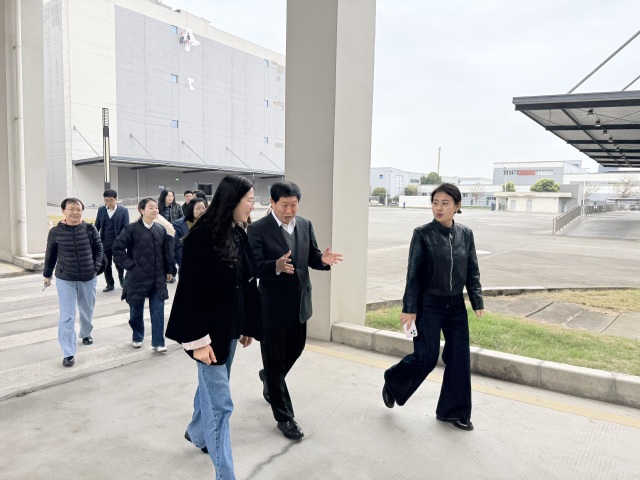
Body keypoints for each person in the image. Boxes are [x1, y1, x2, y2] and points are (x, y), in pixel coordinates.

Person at [166, 175, 262, 479]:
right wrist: (198, 341)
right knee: (220, 406)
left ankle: (197, 432)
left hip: (229, 330)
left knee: (209, 388)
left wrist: (246, 324)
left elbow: (245, 282)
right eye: (250, 199)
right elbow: (190, 291)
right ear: (232, 199)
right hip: (206, 336)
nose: (253, 205)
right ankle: (225, 474)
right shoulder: (202, 236)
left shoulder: (237, 232)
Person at [382, 183, 484, 431]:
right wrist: (409, 308)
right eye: (435, 203)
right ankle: (394, 381)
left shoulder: (466, 234)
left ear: (457, 206)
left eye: (445, 203)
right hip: (429, 304)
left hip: (456, 304)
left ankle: (454, 412)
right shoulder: (422, 234)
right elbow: (413, 274)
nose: (439, 208)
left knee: (459, 358)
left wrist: (477, 300)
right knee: (426, 357)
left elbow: (472, 269)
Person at [247, 181, 343, 440]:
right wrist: (275, 266)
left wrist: (322, 260)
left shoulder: (305, 224)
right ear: (272, 202)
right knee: (275, 363)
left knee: (295, 350)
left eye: (294, 205)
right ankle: (285, 417)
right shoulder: (257, 229)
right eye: (284, 205)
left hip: (300, 304)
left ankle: (269, 378)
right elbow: (253, 266)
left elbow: (311, 256)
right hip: (271, 307)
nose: (289, 211)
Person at [43, 198, 103, 367]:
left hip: (88, 277)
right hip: (65, 278)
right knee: (67, 316)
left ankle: (85, 333)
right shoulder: (55, 232)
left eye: (78, 209)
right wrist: (47, 274)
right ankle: (68, 352)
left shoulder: (90, 228)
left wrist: (95, 268)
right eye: (71, 209)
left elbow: (99, 249)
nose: (75, 212)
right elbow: (50, 254)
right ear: (63, 211)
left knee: (87, 310)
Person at [113, 198, 175, 352]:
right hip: (137, 277)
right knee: (135, 311)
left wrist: (169, 270)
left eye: (156, 208)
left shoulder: (160, 229)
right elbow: (117, 248)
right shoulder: (131, 229)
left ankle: (158, 342)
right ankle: (137, 336)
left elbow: (166, 252)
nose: (155, 210)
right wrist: (130, 266)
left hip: (157, 277)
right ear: (142, 210)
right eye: (151, 207)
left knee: (158, 311)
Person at [94, 189, 130, 292]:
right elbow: (97, 226)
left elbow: (126, 227)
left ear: (116, 199)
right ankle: (110, 284)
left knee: (119, 263)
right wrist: (94, 239)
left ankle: (122, 279)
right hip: (104, 242)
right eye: (106, 200)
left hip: (118, 242)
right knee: (106, 264)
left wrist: (122, 241)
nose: (108, 203)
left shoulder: (123, 211)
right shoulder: (101, 210)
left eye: (111, 200)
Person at [172, 197, 207, 269]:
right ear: (191, 209)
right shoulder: (179, 225)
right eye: (198, 208)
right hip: (187, 265)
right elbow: (177, 249)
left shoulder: (208, 223)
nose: (201, 211)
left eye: (203, 208)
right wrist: (184, 266)